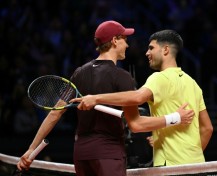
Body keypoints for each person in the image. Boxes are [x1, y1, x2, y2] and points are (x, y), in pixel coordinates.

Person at [17, 21, 194, 176]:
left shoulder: (79, 73)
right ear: (115, 40)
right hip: (108, 154)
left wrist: (30, 149)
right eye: (125, 39)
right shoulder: (122, 77)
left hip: (81, 153)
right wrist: (175, 118)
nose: (128, 45)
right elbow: (136, 125)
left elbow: (54, 114)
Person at [70, 29, 213, 166]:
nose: (147, 53)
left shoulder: (158, 78)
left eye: (151, 48)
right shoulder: (193, 83)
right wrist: (189, 157)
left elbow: (137, 97)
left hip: (170, 166)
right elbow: (207, 129)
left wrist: (96, 98)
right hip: (197, 164)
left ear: (165, 50)